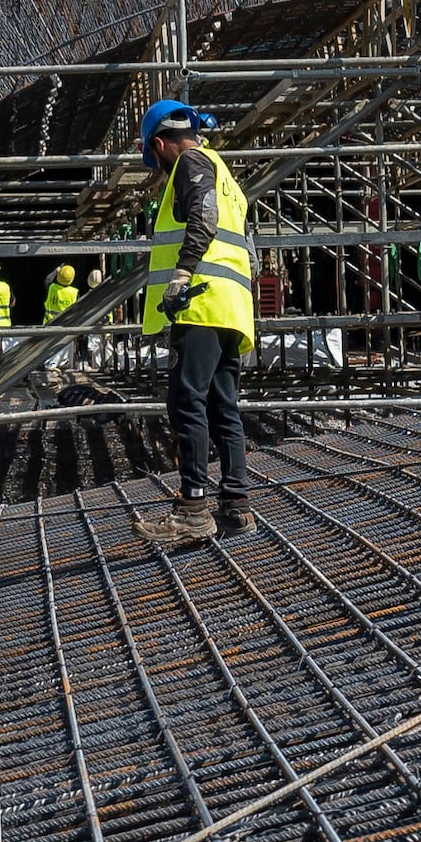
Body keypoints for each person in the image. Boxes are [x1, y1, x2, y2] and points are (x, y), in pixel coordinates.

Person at [133, 100, 259, 542]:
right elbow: (250, 249)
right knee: (223, 404)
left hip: (201, 303)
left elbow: (202, 216)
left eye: (156, 158)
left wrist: (183, 273)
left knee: (187, 401)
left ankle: (192, 507)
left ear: (160, 144)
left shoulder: (190, 162)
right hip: (232, 308)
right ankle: (236, 504)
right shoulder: (228, 177)